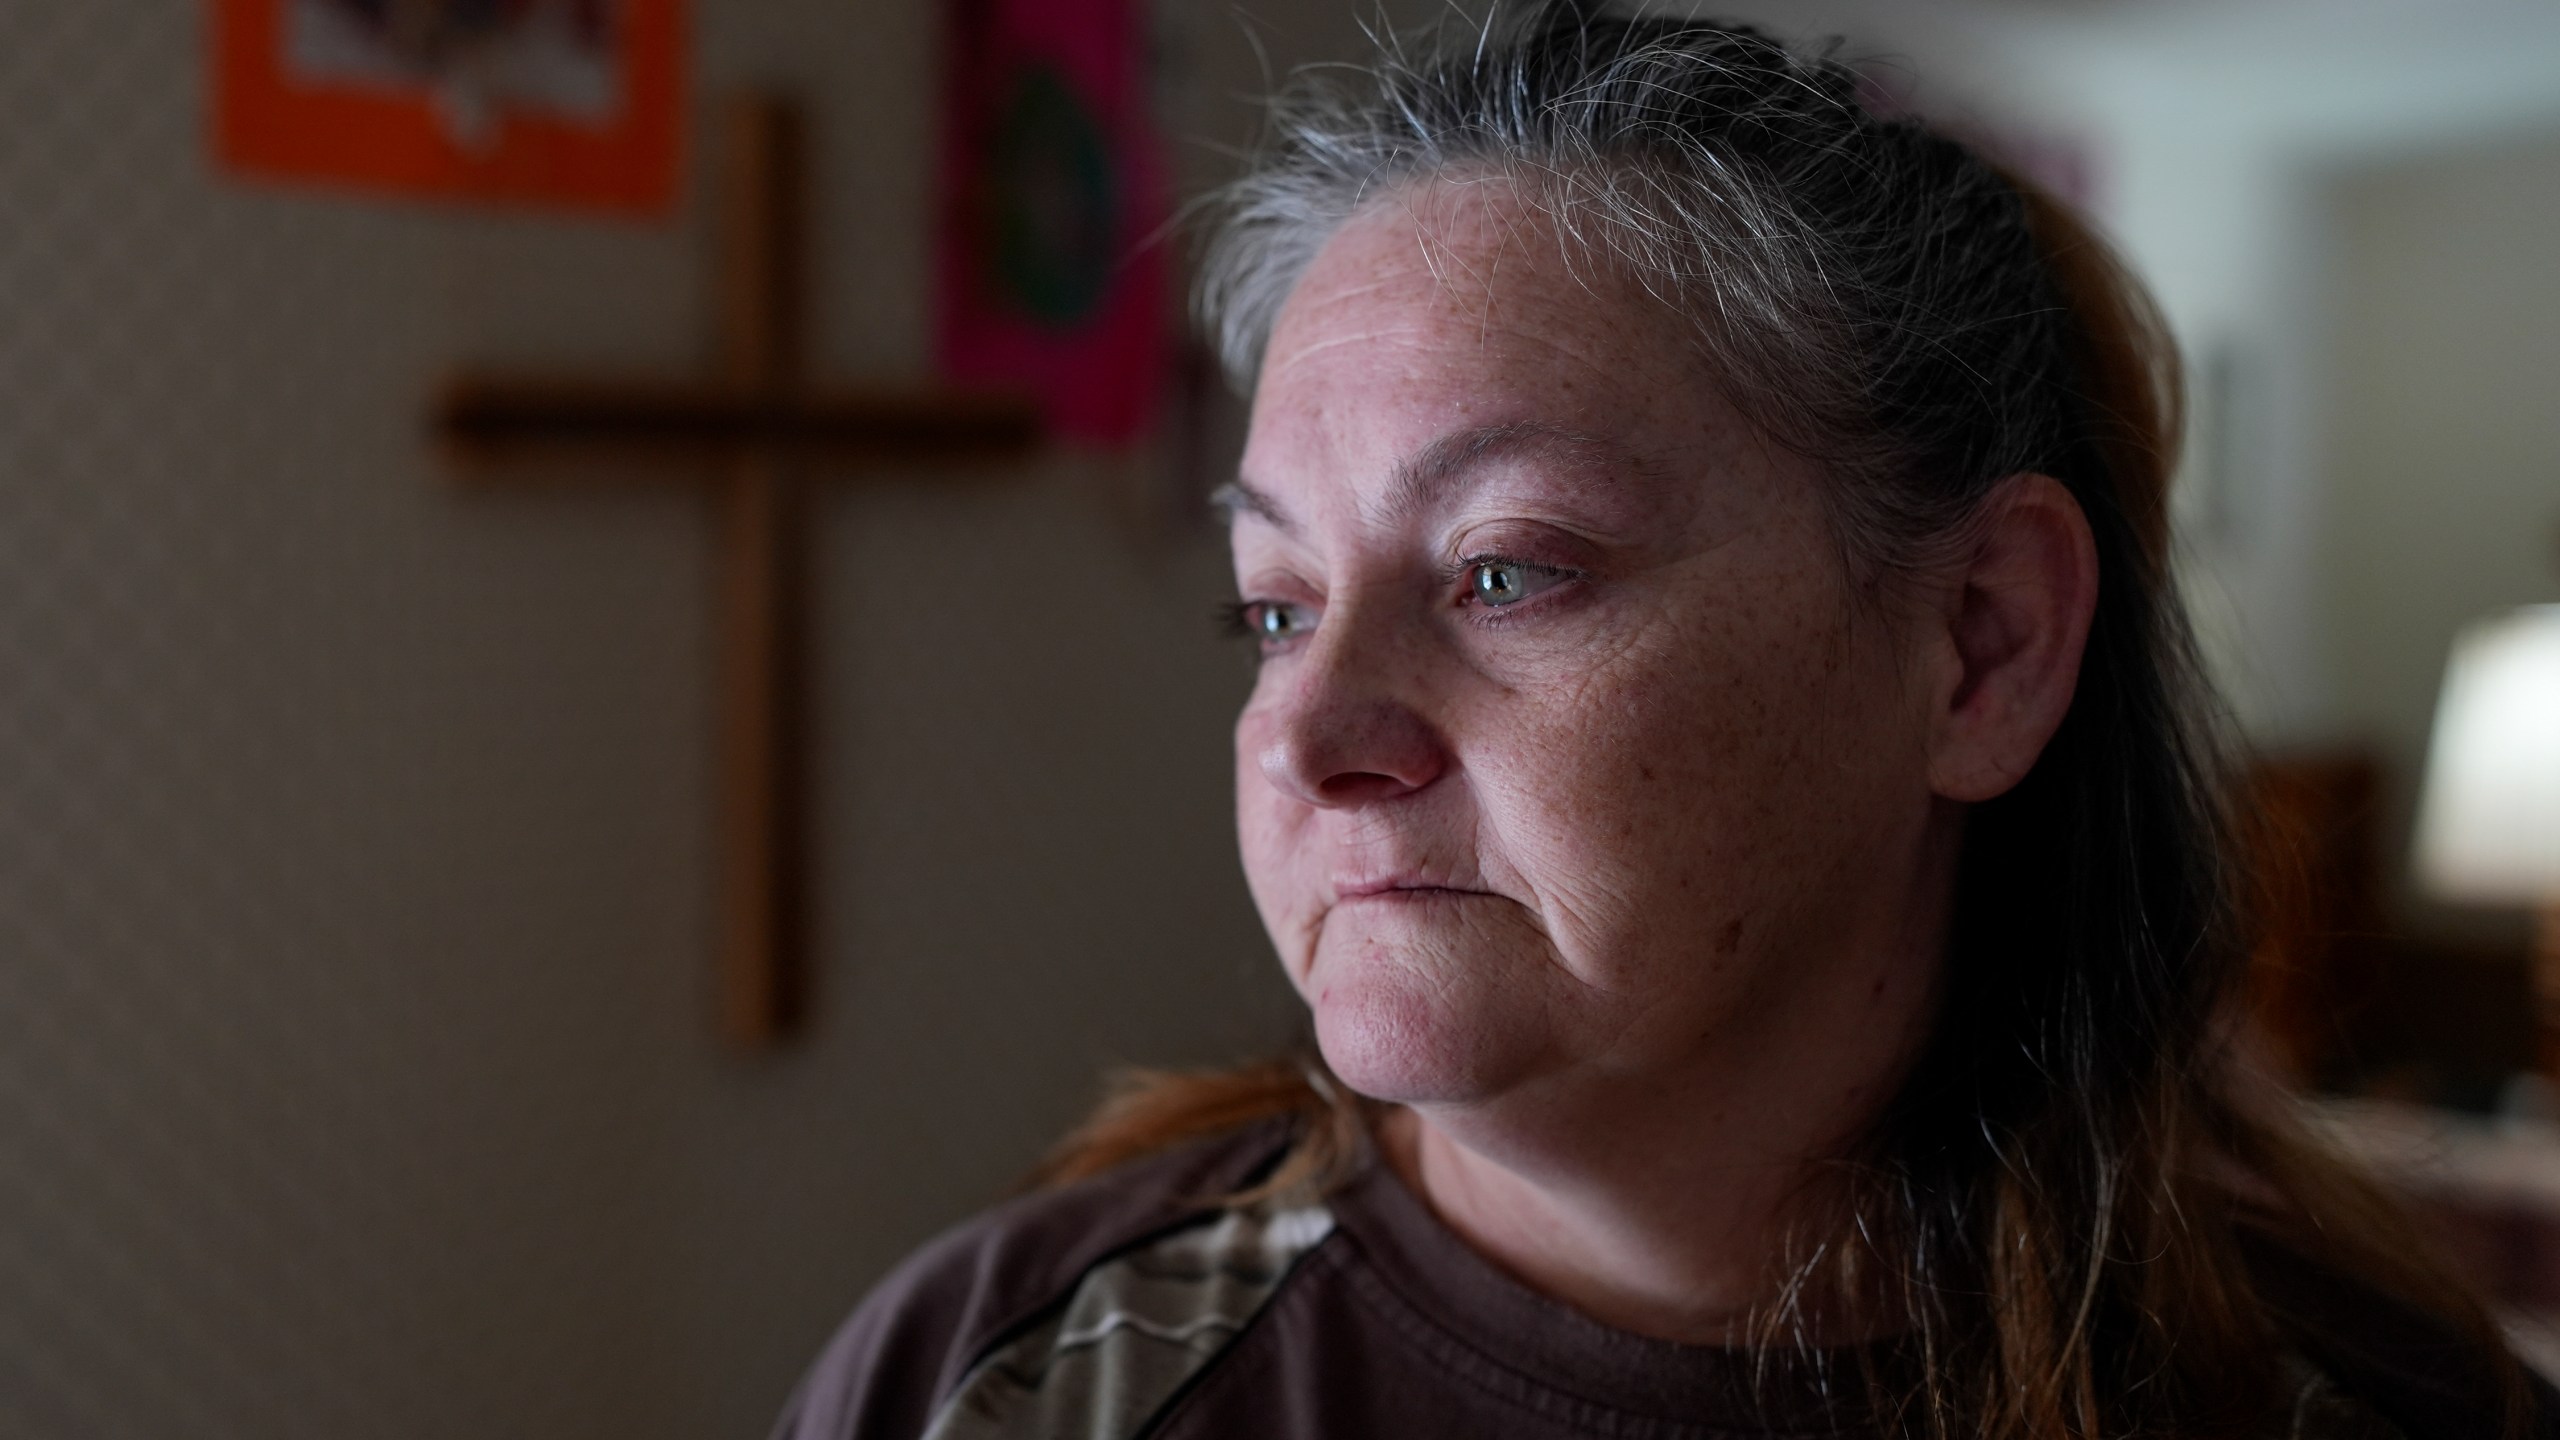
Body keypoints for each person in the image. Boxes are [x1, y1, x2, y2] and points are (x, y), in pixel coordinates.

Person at [775, 9, 2546, 1438]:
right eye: (1273, 606)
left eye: (1504, 571)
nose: (1311, 738)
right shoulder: (995, 1382)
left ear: (1982, 646)